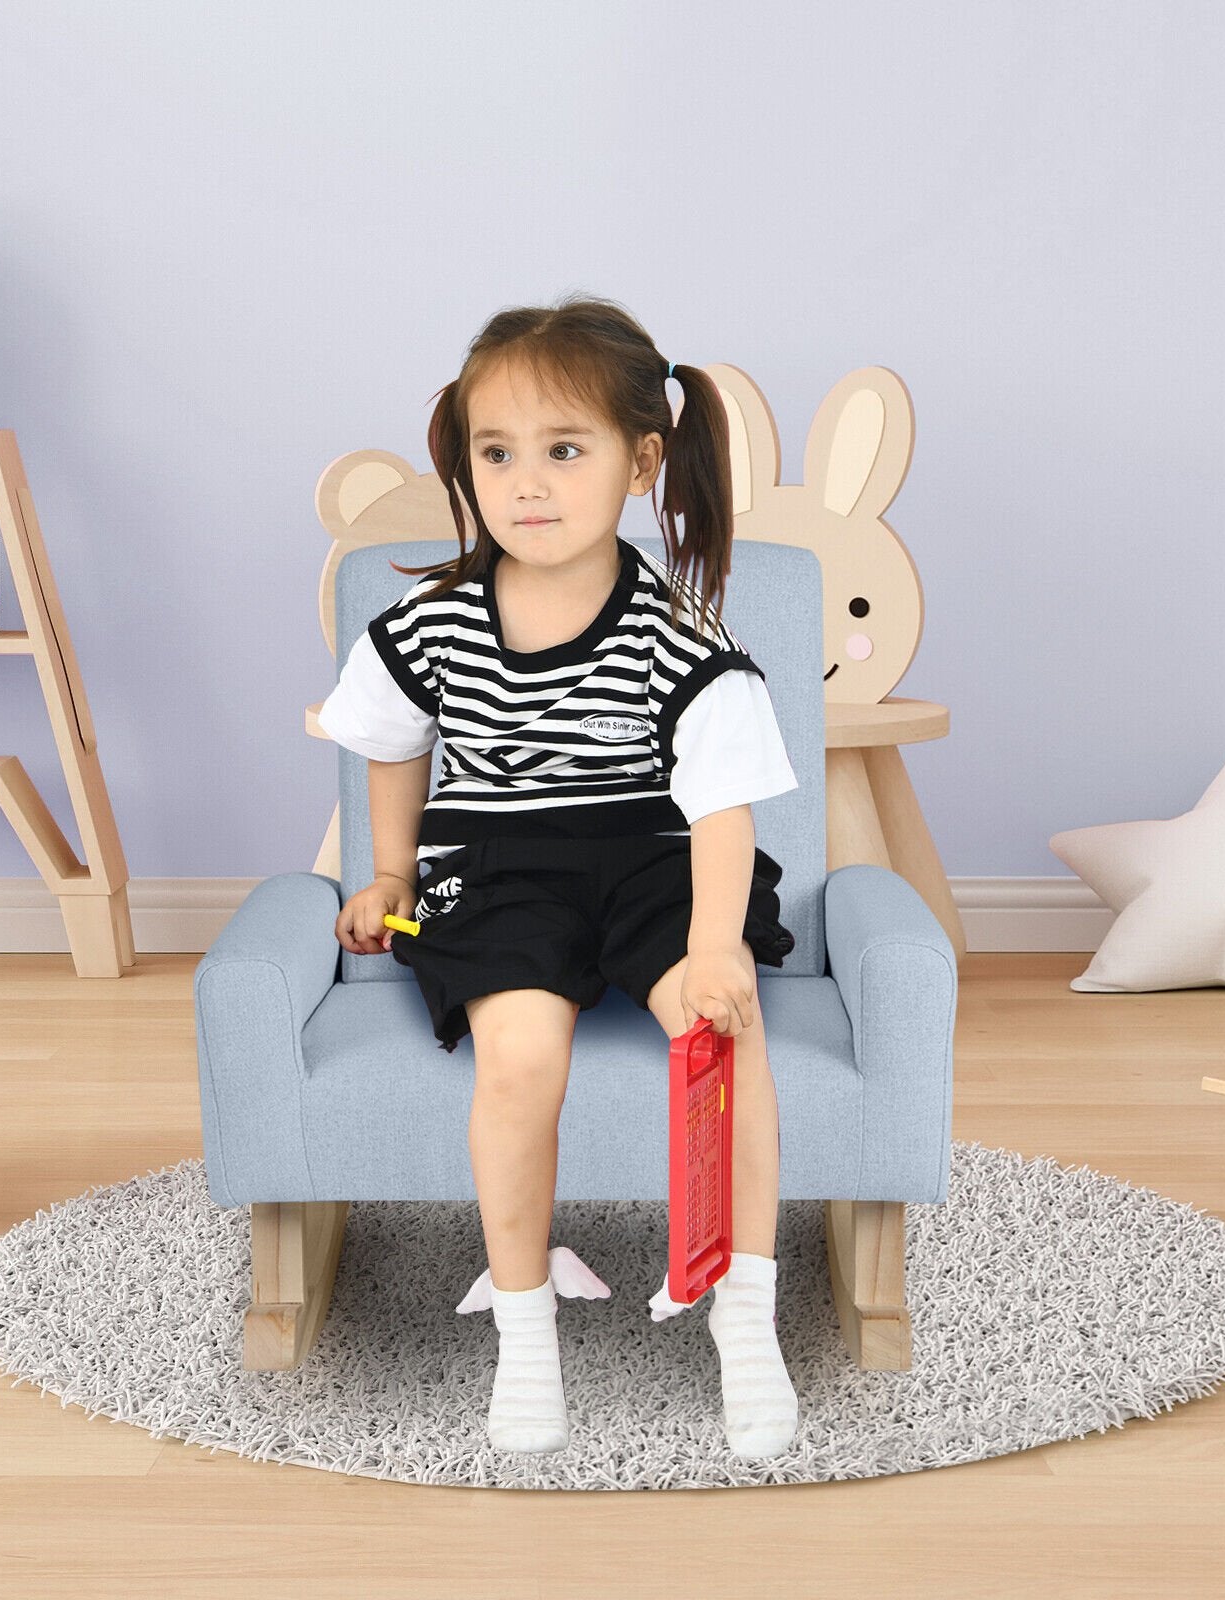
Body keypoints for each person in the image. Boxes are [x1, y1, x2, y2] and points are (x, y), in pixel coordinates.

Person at [318, 295, 801, 1460]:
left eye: (563, 450)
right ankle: (524, 1329)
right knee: (521, 1055)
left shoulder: (677, 632)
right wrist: (389, 871)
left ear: (640, 463)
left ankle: (745, 1313)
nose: (527, 483)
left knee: (718, 1032)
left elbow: (718, 808)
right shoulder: (430, 621)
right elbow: (392, 743)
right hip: (495, 868)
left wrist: (715, 945)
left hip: (654, 859)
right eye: (498, 454)